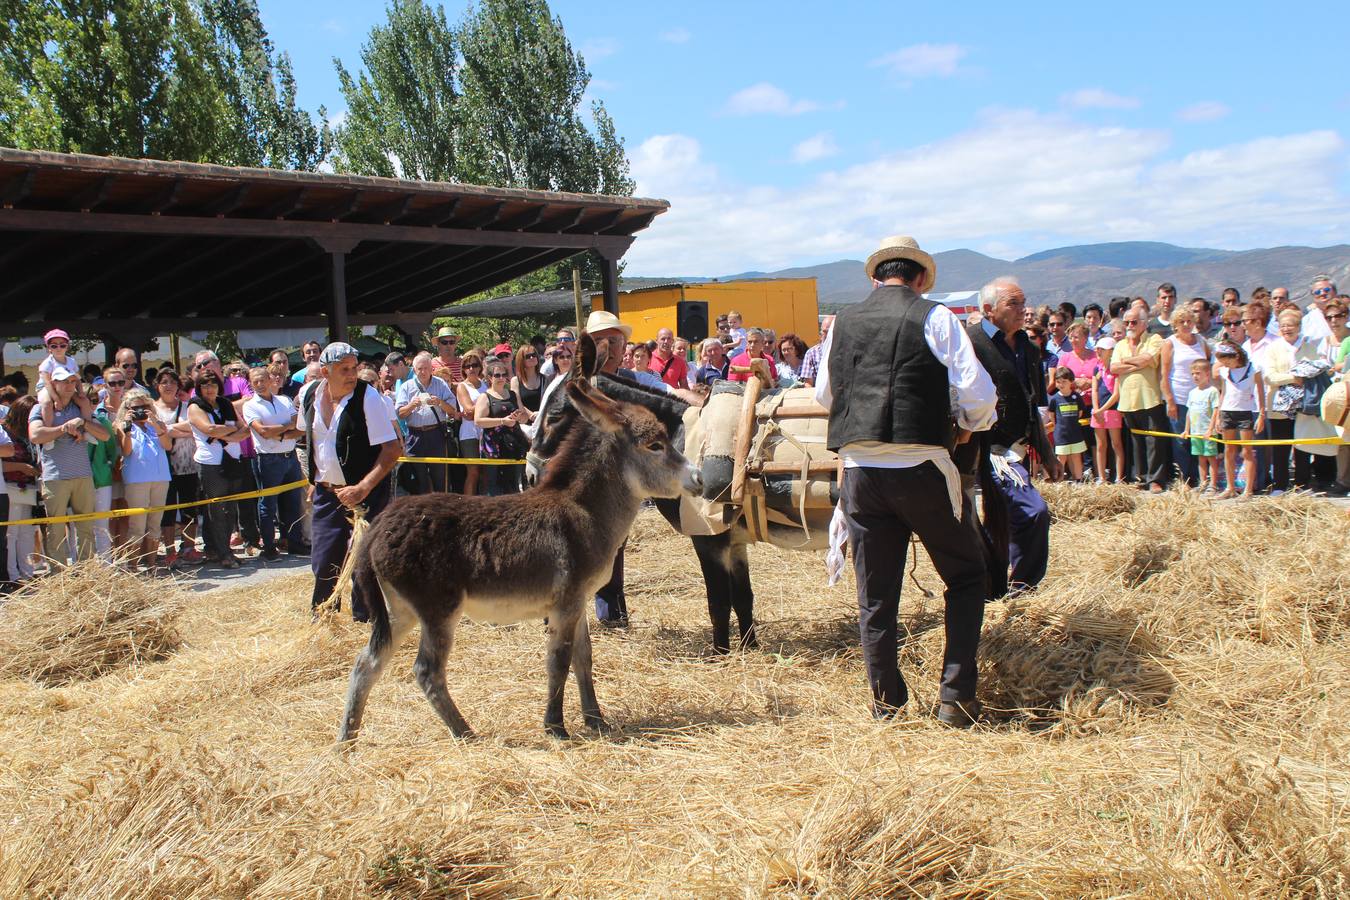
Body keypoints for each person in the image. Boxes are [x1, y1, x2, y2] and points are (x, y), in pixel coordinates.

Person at [817, 235, 996, 727]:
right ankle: (955, 698)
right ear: (919, 278)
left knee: (875, 594)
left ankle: (886, 704)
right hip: (922, 467)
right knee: (965, 575)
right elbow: (978, 393)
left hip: (859, 471)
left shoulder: (841, 322)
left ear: (877, 278)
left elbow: (823, 395)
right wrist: (966, 425)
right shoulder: (935, 317)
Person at [301, 342, 401, 620]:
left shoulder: (369, 398)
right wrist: (313, 477)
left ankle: (365, 618)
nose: (351, 374)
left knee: (364, 562)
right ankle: (324, 616)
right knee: (323, 559)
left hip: (366, 492)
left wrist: (363, 487)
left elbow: (392, 449)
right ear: (325, 371)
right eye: (344, 369)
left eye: (354, 368)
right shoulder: (309, 394)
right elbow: (306, 441)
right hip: (327, 493)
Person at [967, 277, 1055, 589]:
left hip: (1016, 449)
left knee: (1010, 516)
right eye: (1013, 304)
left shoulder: (1029, 349)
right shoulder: (971, 343)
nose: (1023, 310)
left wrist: (1046, 451)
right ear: (989, 309)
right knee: (1030, 513)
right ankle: (1002, 585)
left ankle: (1018, 586)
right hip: (982, 448)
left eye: (1023, 302)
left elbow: (1036, 402)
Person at [29, 367, 109, 566]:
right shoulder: (40, 407)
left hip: (83, 475)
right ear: (53, 384)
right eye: (64, 381)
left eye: (73, 381)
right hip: (54, 477)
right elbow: (35, 435)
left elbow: (104, 435)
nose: (69, 385)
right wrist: (63, 428)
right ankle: (58, 578)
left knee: (85, 527)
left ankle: (86, 572)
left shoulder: (80, 407)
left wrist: (82, 422)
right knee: (55, 530)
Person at [188, 369, 250, 568]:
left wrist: (224, 434)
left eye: (213, 384)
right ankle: (221, 552)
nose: (209, 389)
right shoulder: (195, 406)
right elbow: (209, 429)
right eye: (205, 385)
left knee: (231, 510)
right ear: (199, 387)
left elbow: (246, 430)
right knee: (215, 509)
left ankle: (223, 550)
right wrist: (230, 431)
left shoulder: (225, 404)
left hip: (233, 460)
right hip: (210, 464)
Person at [243, 366, 307, 560]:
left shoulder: (284, 400)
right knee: (268, 505)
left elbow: (300, 427)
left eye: (263, 379)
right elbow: (262, 431)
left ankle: (294, 543)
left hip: (289, 455)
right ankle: (269, 546)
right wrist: (287, 430)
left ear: (270, 380)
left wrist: (279, 434)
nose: (260, 384)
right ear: (251, 384)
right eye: (256, 381)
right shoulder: (250, 405)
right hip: (268, 459)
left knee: (293, 502)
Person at [1113, 308, 1172, 492]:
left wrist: (1127, 363)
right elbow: (1113, 367)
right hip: (1128, 401)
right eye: (1127, 322)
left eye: (1133, 322)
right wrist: (1136, 364)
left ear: (1144, 323)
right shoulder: (1120, 344)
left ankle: (1156, 479)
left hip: (1149, 398)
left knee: (1154, 441)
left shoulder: (1153, 339)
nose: (1129, 326)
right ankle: (1140, 477)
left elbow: (1147, 360)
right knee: (1136, 441)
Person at [113, 387, 172, 570]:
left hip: (160, 477)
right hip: (137, 479)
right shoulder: (122, 425)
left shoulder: (157, 424)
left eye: (144, 406)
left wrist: (155, 425)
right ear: (127, 408)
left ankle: (152, 564)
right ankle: (133, 565)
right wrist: (128, 428)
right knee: (137, 525)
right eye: (135, 407)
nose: (140, 411)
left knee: (155, 523)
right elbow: (126, 451)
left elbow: (167, 446)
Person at [152, 369, 203, 567]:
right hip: (163, 466)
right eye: (164, 382)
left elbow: (195, 427)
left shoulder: (187, 406)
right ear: (157, 385)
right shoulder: (153, 408)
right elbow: (154, 430)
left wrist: (168, 430)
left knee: (190, 507)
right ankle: (169, 549)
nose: (168, 385)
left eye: (172, 382)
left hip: (188, 463)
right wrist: (176, 431)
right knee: (168, 510)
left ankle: (189, 547)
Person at [1159, 308, 1211, 486]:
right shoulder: (1170, 343)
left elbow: (1209, 364)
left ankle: (1199, 478)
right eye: (1182, 322)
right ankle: (1183, 479)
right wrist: (1170, 401)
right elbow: (1164, 374)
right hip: (1180, 398)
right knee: (1181, 440)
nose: (1187, 325)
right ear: (1175, 325)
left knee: (1199, 439)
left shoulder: (1201, 341)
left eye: (1189, 321)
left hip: (1201, 399)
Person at [396, 351, 460, 494]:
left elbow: (452, 411)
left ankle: (442, 511)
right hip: (415, 435)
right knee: (418, 480)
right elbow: (399, 413)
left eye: (426, 368)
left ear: (431, 368)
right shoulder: (407, 386)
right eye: (419, 368)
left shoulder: (440, 384)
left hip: (436, 433)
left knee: (440, 478)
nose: (423, 372)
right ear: (414, 369)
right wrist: (412, 405)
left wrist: (439, 402)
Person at [1213, 343, 1265, 499]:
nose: (1226, 365)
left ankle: (1248, 490)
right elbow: (1223, 393)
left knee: (1247, 451)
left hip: (1245, 412)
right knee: (1229, 450)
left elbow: (1260, 392)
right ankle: (1230, 488)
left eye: (1228, 361)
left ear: (1236, 356)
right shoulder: (1225, 371)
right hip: (1228, 411)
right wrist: (1218, 415)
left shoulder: (1253, 369)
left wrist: (1262, 414)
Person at [475, 359, 529, 496]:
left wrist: (518, 417)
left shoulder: (512, 394)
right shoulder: (485, 396)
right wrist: (502, 421)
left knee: (515, 482)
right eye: (496, 375)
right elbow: (478, 421)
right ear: (489, 378)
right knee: (494, 484)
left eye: (503, 375)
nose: (501, 378)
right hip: (493, 446)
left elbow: (524, 417)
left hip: (514, 442)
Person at [4, 396, 40, 585]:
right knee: (12, 533)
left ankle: (27, 572)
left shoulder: (27, 435)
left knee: (27, 531)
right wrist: (22, 467)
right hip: (10, 487)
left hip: (28, 488)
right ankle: (13, 575)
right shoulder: (5, 433)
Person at [1181, 360, 1221, 492]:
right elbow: (1189, 412)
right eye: (1193, 374)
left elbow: (1216, 410)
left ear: (1207, 374)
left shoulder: (1212, 391)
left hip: (1208, 432)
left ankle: (1213, 485)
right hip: (1195, 432)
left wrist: (1211, 429)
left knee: (1211, 458)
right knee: (1201, 458)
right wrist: (1186, 429)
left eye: (1198, 373)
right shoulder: (1192, 392)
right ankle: (1203, 483)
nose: (1195, 376)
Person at [1090, 337, 1126, 483]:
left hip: (1112, 410)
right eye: (1098, 348)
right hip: (1097, 411)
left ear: (1111, 351)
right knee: (1100, 445)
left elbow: (1116, 394)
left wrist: (1101, 409)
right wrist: (1096, 409)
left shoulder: (1115, 369)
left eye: (1102, 349)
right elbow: (1094, 390)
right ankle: (1102, 477)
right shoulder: (1096, 368)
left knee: (1116, 444)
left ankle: (1119, 477)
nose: (1098, 351)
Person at [455, 352, 487, 496]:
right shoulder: (462, 387)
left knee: (486, 472)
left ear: (480, 367)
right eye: (467, 366)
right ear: (463, 369)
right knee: (473, 472)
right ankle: (468, 505)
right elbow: (467, 410)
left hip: (486, 432)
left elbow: (474, 411)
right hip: (469, 433)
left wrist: (478, 409)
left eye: (474, 365)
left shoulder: (485, 385)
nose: (471, 368)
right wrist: (486, 403)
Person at [1048, 367, 1087, 480]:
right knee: (1061, 457)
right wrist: (1057, 426)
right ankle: (1059, 479)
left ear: (1071, 381)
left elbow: (1080, 412)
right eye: (1058, 382)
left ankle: (1079, 479)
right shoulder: (1055, 399)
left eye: (1064, 381)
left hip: (1075, 433)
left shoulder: (1076, 397)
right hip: (1061, 433)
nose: (1061, 384)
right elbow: (1051, 414)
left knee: (1076, 456)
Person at [510, 344, 544, 424]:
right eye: (528, 356)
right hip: (524, 423)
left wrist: (539, 415)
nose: (532, 358)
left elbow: (548, 401)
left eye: (534, 355)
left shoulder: (545, 379)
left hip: (542, 422)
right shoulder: (515, 381)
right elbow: (517, 402)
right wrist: (531, 415)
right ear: (521, 360)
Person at [799, 315, 834, 387]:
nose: (828, 336)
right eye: (825, 332)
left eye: (831, 332)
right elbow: (808, 383)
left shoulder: (847, 351)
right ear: (820, 333)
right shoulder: (811, 354)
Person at [1303, 275, 1337, 343]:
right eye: (1317, 292)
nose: (1322, 293)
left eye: (1326, 290)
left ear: (1335, 292)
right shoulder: (1306, 321)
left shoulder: (1346, 315)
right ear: (1313, 296)